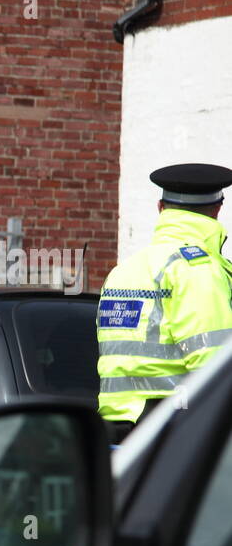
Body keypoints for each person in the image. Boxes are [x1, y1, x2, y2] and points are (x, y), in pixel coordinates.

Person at [98, 163, 232, 444]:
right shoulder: (197, 269)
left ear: (160, 207)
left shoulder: (123, 270)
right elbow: (215, 365)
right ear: (218, 209)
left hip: (118, 429)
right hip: (173, 430)